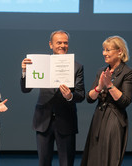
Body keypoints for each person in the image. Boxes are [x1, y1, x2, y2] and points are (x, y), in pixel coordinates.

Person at [20, 30, 85, 166]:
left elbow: (81, 95)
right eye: (59, 42)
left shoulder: (77, 67)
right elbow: (26, 89)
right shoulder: (39, 63)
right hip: (43, 121)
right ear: (51, 45)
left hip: (66, 121)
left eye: (65, 43)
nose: (62, 45)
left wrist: (70, 96)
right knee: (43, 162)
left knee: (66, 163)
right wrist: (25, 71)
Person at [80, 36, 132, 166]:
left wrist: (110, 85)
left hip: (114, 118)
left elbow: (125, 101)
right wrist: (100, 87)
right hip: (99, 117)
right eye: (103, 50)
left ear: (120, 51)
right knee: (93, 156)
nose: (104, 53)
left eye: (108, 50)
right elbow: (89, 98)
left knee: (109, 157)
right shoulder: (102, 71)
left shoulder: (129, 73)